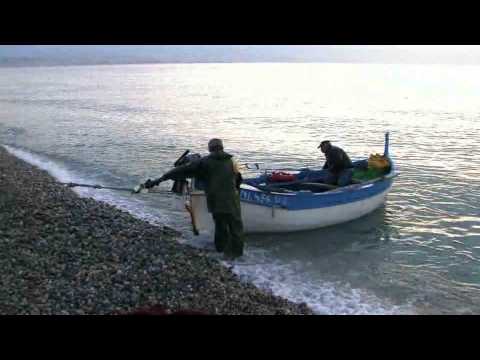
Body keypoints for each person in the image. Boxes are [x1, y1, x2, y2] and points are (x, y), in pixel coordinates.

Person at [142, 138, 245, 260]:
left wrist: (159, 180)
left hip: (216, 201)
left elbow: (181, 170)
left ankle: (220, 251)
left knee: (220, 226)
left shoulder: (204, 162)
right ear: (222, 147)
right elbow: (238, 179)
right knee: (236, 228)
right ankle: (237, 256)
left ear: (210, 149)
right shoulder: (232, 161)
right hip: (232, 200)